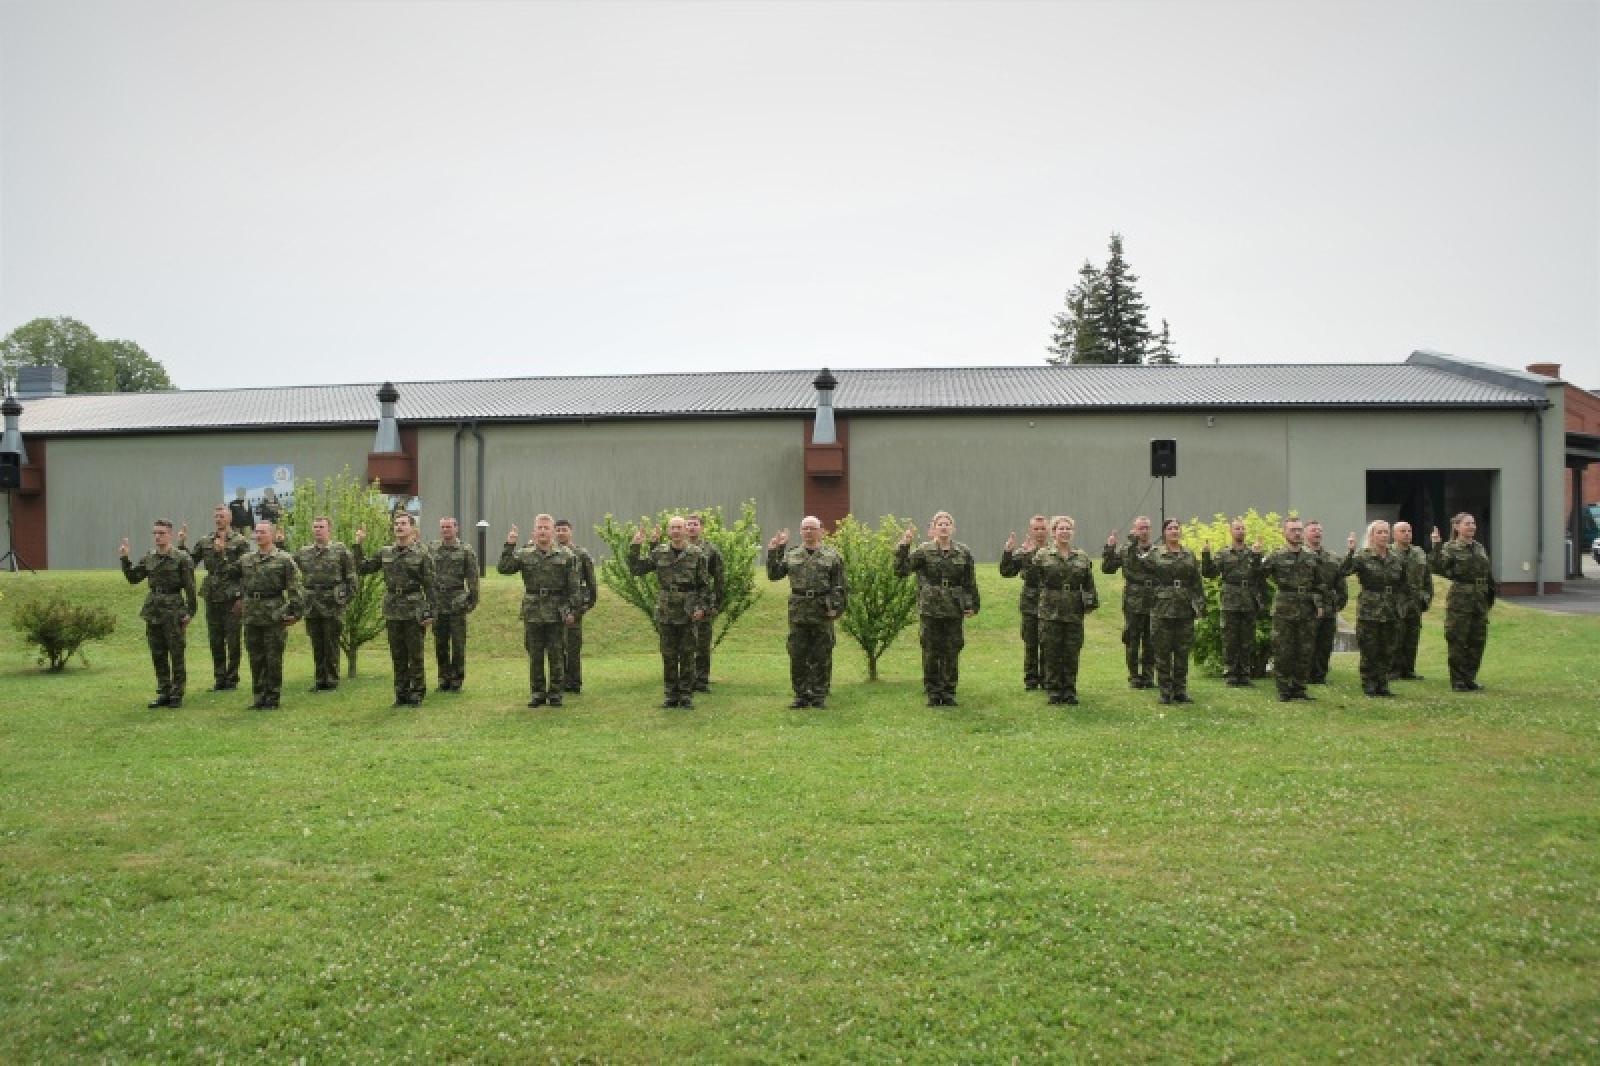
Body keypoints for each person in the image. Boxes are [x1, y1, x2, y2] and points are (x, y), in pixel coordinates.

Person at [896, 511, 979, 707]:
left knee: (952, 649)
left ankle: (949, 691)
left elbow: (969, 582)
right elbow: (901, 570)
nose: (943, 527)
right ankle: (933, 692)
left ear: (953, 528)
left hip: (953, 607)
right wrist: (904, 546)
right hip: (930, 608)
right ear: (933, 528)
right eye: (939, 524)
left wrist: (972, 604)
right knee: (931, 649)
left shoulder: (963, 552)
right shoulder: (924, 551)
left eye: (947, 523)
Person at [355, 512, 436, 707]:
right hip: (392, 607)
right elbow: (363, 568)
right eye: (396, 524)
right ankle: (401, 693)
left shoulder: (422, 553)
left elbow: (431, 585)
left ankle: (417, 693)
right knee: (397, 654)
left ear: (412, 528)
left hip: (413, 607)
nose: (399, 527)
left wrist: (430, 611)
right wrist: (358, 544)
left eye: (403, 524)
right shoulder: (385, 552)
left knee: (415, 654)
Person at [628, 516, 709, 708]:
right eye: (672, 528)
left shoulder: (697, 554)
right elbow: (637, 569)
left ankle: (686, 695)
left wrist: (701, 608)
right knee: (669, 654)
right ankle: (671, 695)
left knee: (688, 654)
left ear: (684, 530)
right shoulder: (659, 553)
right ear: (668, 531)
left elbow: (704, 586)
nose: (676, 531)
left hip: (688, 609)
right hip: (666, 610)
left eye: (679, 527)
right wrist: (635, 547)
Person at [766, 516, 847, 708]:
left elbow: (840, 585)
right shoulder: (792, 554)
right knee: (797, 653)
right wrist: (774, 550)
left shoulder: (832, 556)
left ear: (821, 531)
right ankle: (801, 695)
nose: (808, 532)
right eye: (805, 529)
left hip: (821, 609)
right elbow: (774, 574)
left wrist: (835, 608)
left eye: (812, 528)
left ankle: (819, 694)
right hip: (799, 610)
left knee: (822, 653)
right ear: (800, 532)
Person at [498, 514, 577, 707]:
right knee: (535, 654)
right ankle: (538, 693)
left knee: (557, 653)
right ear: (534, 531)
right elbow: (504, 568)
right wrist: (509, 545)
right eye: (539, 528)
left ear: (552, 532)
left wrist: (572, 611)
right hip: (533, 610)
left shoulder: (566, 555)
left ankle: (556, 693)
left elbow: (573, 587)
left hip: (556, 610)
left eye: (546, 528)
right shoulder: (525, 554)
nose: (542, 531)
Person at [119, 519, 198, 708]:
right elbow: (134, 578)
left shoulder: (181, 558)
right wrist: (124, 558)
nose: (157, 536)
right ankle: (164, 691)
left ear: (170, 534)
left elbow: (190, 588)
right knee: (158, 653)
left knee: (176, 653)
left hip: (173, 610)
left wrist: (189, 612)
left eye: (161, 533)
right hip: (153, 610)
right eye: (155, 533)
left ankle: (177, 693)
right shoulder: (150, 557)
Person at [1027, 515, 1097, 706]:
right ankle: (1054, 690)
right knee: (1052, 651)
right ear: (1053, 532)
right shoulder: (1043, 555)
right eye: (1061, 529)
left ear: (1072, 532)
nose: (1065, 532)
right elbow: (1031, 579)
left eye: (1068, 529)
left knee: (1071, 651)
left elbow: (1089, 583)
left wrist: (1090, 603)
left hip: (1074, 610)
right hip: (1050, 610)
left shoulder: (1081, 556)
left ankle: (1069, 690)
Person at [178, 504, 250, 691]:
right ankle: (220, 679)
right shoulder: (205, 541)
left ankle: (232, 679)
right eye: (216, 516)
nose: (219, 519)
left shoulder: (240, 541)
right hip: (212, 594)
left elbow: (246, 570)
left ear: (230, 518)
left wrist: (242, 598)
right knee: (215, 639)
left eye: (222, 516)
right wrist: (182, 545)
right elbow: (189, 563)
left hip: (233, 595)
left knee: (233, 640)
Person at [236, 520, 303, 710]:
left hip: (274, 614)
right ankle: (259, 697)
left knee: (273, 658)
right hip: (251, 615)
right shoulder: (246, 559)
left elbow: (295, 588)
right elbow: (229, 576)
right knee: (255, 657)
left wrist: (295, 613)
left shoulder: (284, 559)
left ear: (272, 535)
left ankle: (272, 698)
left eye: (263, 532)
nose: (259, 535)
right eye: (257, 532)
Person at [1339, 521, 1405, 697]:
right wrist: (1350, 551)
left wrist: (1401, 605)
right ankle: (1369, 684)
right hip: (1370, 609)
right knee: (1370, 649)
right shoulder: (1363, 556)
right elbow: (1344, 571)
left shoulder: (1396, 557)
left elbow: (1403, 582)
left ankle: (1382, 684)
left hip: (1391, 609)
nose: (1384, 535)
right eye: (1380, 532)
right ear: (1371, 536)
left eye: (1386, 532)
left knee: (1387, 648)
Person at [1430, 513, 1494, 691]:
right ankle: (1458, 681)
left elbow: (1487, 573)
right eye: (1467, 523)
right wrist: (1436, 545)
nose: (1472, 526)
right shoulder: (1450, 547)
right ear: (1457, 527)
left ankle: (1470, 678)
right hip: (1461, 599)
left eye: (1473, 523)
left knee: (1477, 640)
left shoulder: (1479, 547)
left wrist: (1489, 596)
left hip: (1480, 599)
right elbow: (1437, 567)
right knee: (1458, 640)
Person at [1259, 517, 1320, 702]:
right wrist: (1256, 555)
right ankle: (1284, 689)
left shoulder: (1311, 557)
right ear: (1284, 533)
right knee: (1283, 649)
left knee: (1305, 649)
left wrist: (1320, 604)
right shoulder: (1276, 556)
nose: (1297, 533)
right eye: (1293, 529)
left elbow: (1319, 583)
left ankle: (1300, 688)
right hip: (1285, 606)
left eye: (1300, 530)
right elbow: (1259, 575)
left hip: (1306, 606)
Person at [293, 516, 357, 692]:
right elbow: (288, 565)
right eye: (315, 527)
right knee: (317, 643)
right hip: (312, 603)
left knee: (331, 643)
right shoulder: (304, 552)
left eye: (321, 527)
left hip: (332, 603)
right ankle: (320, 679)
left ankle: (331, 679)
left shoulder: (340, 551)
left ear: (329, 530)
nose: (318, 530)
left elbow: (351, 579)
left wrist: (344, 601)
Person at [1148, 517, 1205, 705]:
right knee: (1162, 653)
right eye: (1170, 528)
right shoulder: (1155, 554)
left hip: (1184, 609)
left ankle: (1180, 690)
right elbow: (1143, 577)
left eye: (1177, 528)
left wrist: (1199, 605)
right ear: (1164, 532)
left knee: (1182, 652)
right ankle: (1165, 691)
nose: (1174, 531)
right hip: (1162, 609)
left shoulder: (1189, 554)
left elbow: (1196, 582)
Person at [1200, 518, 1263, 686]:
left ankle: (1244, 674)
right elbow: (1209, 573)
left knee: (1247, 638)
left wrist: (1257, 556)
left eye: (1243, 528)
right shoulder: (1224, 554)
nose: (1240, 531)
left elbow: (1259, 574)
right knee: (1230, 638)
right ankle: (1231, 673)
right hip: (1230, 599)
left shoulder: (1253, 552)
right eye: (1237, 528)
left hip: (1249, 598)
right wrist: (1206, 555)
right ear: (1231, 531)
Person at [1102, 515, 1156, 689]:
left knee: (1151, 639)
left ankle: (1148, 676)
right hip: (1133, 599)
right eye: (1141, 528)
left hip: (1154, 598)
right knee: (1132, 638)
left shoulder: (1157, 550)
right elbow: (1108, 568)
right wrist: (1110, 548)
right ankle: (1134, 676)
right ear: (1134, 529)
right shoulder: (1127, 550)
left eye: (1147, 527)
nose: (1144, 531)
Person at [998, 515, 1049, 690]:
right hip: (1031, 603)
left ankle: (1048, 678)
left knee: (1049, 643)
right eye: (1036, 529)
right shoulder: (1024, 551)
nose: (1040, 532)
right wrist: (1008, 552)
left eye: (1043, 528)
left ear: (1048, 530)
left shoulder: (1054, 550)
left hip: (1052, 604)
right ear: (1030, 531)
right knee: (1031, 642)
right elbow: (1006, 571)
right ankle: (1031, 679)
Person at [430, 516, 480, 692]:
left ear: (456, 528)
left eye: (449, 527)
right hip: (438, 602)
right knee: (440, 645)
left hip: (457, 602)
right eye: (443, 527)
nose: (445, 530)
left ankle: (457, 680)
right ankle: (443, 679)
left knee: (458, 645)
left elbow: (473, 578)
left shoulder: (466, 550)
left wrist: (472, 601)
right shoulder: (432, 548)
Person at [554, 519, 598, 693]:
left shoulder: (581, 554)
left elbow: (591, 583)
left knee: (572, 646)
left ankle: (574, 682)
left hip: (574, 606)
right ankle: (560, 681)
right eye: (557, 530)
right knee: (556, 647)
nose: (560, 533)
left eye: (564, 530)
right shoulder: (552, 552)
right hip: (554, 605)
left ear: (570, 532)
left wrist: (584, 606)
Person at [685, 514, 726, 692]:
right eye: (689, 524)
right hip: (682, 601)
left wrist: (716, 604)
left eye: (695, 524)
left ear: (701, 527)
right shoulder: (678, 548)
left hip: (703, 600)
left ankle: (701, 680)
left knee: (702, 644)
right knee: (684, 644)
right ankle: (685, 679)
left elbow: (719, 579)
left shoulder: (710, 550)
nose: (692, 527)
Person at [1390, 521, 1433, 681]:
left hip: (1415, 602)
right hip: (1397, 601)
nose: (1407, 533)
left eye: (1409, 530)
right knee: (1396, 636)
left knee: (1412, 637)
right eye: (1403, 531)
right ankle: (1393, 670)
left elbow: (1427, 578)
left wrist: (1426, 597)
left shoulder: (1419, 552)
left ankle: (1409, 669)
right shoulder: (1389, 552)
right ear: (1394, 535)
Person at [1305, 520, 1347, 684]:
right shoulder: (1300, 555)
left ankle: (1320, 675)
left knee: (1325, 643)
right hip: (1307, 606)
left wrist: (1338, 603)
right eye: (1313, 530)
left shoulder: (1332, 558)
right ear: (1305, 533)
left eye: (1319, 530)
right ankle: (1305, 674)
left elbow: (1340, 583)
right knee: (1307, 642)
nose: (1317, 533)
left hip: (1329, 607)